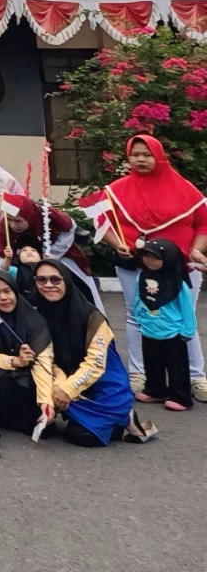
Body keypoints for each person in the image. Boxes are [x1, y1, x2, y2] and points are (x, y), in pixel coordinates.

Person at [104, 134, 207, 401]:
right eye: (135, 154)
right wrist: (116, 243)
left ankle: (196, 376)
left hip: (179, 265)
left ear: (159, 156)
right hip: (134, 263)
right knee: (136, 316)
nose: (140, 159)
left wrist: (197, 249)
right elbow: (102, 222)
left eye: (147, 154)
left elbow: (203, 224)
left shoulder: (186, 190)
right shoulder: (116, 190)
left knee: (186, 318)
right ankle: (141, 374)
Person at [28, 257, 155, 445]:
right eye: (41, 280)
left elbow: (95, 363)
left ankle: (125, 417)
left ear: (67, 281)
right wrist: (59, 383)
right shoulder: (36, 311)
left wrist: (67, 389)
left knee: (82, 436)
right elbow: (47, 356)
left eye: (55, 279)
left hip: (103, 380)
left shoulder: (91, 316)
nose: (48, 285)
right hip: (64, 376)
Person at [0, 269, 55, 436]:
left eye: (7, 291)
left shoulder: (33, 319)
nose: (3, 297)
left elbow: (44, 362)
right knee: (3, 380)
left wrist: (46, 401)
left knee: (30, 381)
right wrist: (13, 361)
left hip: (30, 378)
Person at [129, 239, 195, 411]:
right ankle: (155, 390)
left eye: (155, 257)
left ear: (168, 259)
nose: (149, 260)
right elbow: (138, 295)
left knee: (177, 367)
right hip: (149, 329)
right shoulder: (143, 276)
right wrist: (139, 315)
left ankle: (181, 397)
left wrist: (188, 330)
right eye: (146, 255)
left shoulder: (178, 283)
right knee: (152, 363)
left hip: (173, 332)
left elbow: (187, 308)